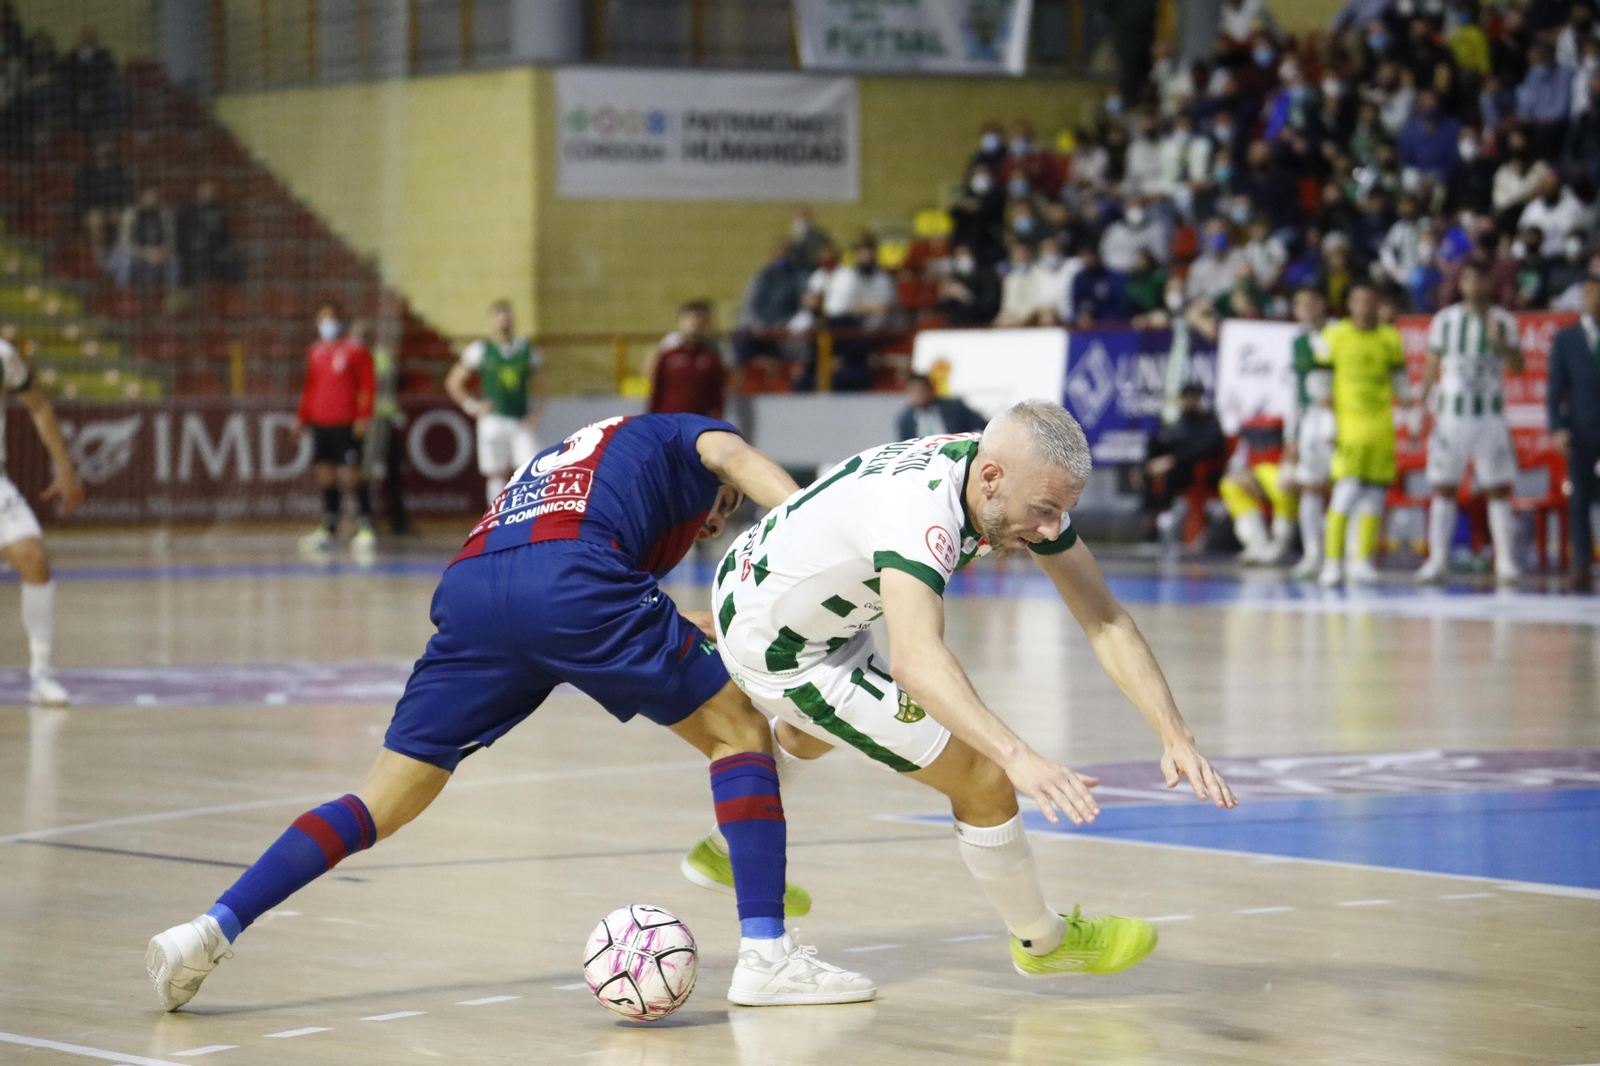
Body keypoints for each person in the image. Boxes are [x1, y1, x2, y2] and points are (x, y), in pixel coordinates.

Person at [147, 415, 875, 1011]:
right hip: (570, 581)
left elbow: (564, 573)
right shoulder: (692, 437)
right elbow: (733, 453)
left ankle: (209, 928)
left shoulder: (577, 458)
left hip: (474, 585)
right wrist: (816, 525)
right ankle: (768, 957)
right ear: (714, 488)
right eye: (717, 515)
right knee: (740, 728)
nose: (709, 532)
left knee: (382, 801)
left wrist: (680, 615)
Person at [684, 402, 1236, 980]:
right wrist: (1019, 756)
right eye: (1044, 512)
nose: (1051, 529)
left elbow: (1106, 620)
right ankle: (1044, 942)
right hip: (783, 649)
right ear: (993, 479)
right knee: (984, 777)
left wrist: (1175, 735)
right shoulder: (923, 515)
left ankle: (728, 846)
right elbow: (916, 661)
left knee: (817, 727)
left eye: (1062, 512)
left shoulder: (999, 473)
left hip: (774, 590)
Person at [1415, 262, 1524, 585]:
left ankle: (1505, 561)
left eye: (1481, 279)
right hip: (1451, 418)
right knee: (1444, 487)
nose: (1475, 285)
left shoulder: (1504, 321)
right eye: (1470, 279)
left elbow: (1518, 367)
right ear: (1461, 284)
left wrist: (1501, 343)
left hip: (1489, 416)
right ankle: (1436, 560)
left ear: (1490, 283)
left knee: (1497, 489)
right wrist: (1420, 407)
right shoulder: (1445, 321)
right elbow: (1432, 366)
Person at [0, 336, 84, 705]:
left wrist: (64, 468)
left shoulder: (2, 356)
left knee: (33, 558)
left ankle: (41, 674)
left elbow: (37, 404)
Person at [1317, 283, 1409, 587]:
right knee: (1344, 494)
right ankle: (1332, 563)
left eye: (1370, 300)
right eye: (1358, 300)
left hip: (1381, 427)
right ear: (1349, 304)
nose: (1365, 307)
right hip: (1349, 426)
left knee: (1374, 497)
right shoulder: (1335, 335)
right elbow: (1320, 382)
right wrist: (1327, 418)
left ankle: (1362, 562)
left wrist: (1409, 418)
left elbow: (1400, 383)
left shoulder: (1390, 337)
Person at [446, 300, 546, 506]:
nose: (504, 322)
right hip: (492, 419)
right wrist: (472, 406)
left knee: (531, 469)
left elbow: (543, 386)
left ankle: (527, 517)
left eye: (507, 316)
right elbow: (454, 382)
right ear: (492, 320)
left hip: (520, 418)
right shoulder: (481, 349)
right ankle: (497, 521)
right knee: (495, 472)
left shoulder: (527, 350)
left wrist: (537, 413)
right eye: (499, 317)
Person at [296, 303, 376, 557]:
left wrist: (363, 417)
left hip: (346, 421)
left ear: (340, 322)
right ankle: (330, 527)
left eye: (330, 319)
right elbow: (310, 387)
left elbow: (368, 385)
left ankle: (365, 526)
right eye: (322, 319)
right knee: (326, 474)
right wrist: (302, 418)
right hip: (321, 422)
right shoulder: (315, 351)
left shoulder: (355, 350)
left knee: (353, 474)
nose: (326, 324)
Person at [1546, 275, 1600, 592]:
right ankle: (1581, 562)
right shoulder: (1566, 339)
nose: (1594, 299)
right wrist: (1557, 427)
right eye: (1590, 293)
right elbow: (1555, 389)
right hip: (1579, 430)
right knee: (1578, 498)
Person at [1284, 288, 1338, 581]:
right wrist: (1290, 436)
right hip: (1309, 421)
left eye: (1309, 302)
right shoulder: (1298, 341)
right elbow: (1294, 390)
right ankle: (1312, 555)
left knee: (1340, 489)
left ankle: (1338, 556)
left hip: (1338, 418)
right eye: (1298, 303)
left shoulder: (1338, 333)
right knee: (1309, 487)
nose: (1302, 308)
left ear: (1322, 303)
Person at [1139, 383, 1227, 541]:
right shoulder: (1176, 421)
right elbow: (1161, 443)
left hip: (1195, 470)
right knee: (1148, 473)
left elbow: (1210, 448)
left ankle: (1168, 515)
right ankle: (1153, 524)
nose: (1188, 402)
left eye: (1192, 398)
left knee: (1171, 472)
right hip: (1172, 467)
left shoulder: (1208, 421)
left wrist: (1173, 460)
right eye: (1185, 398)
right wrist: (1149, 464)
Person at [360, 318, 411, 535]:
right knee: (363, 474)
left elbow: (391, 382)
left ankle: (398, 521)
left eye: (366, 335)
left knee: (393, 472)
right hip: (363, 421)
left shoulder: (381, 356)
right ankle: (365, 520)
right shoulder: (355, 356)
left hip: (383, 420)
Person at [648, 299, 727, 417]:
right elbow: (657, 390)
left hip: (700, 423)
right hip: (669, 421)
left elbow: (718, 394)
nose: (694, 323)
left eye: (699, 319)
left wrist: (717, 419)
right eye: (689, 318)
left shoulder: (713, 359)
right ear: (680, 321)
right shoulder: (668, 355)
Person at [176, 180, 240, 285]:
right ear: (199, 192)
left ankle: (226, 291)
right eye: (205, 191)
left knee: (231, 260)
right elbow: (183, 234)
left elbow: (224, 234)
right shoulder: (188, 211)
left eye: (210, 191)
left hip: (214, 249)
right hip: (192, 249)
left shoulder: (219, 210)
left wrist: (225, 246)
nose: (208, 194)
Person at [894, 373, 986, 441]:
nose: (918, 395)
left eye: (922, 390)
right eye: (913, 391)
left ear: (931, 389)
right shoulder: (905, 419)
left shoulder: (954, 407)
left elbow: (982, 425)